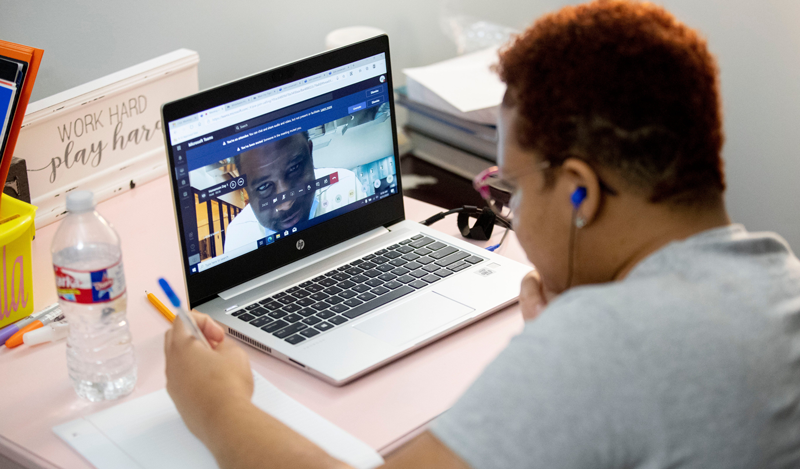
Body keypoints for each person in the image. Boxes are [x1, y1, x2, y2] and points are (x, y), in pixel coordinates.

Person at [165, 1, 800, 468]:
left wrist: (217, 407)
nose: (512, 214)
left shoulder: (602, 345)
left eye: (515, 188)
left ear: (581, 191)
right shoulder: (780, 281)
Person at [223, 130, 367, 252]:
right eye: (263, 187)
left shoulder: (346, 186)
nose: (286, 203)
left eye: (294, 168)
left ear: (310, 154)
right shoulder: (237, 238)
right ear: (245, 188)